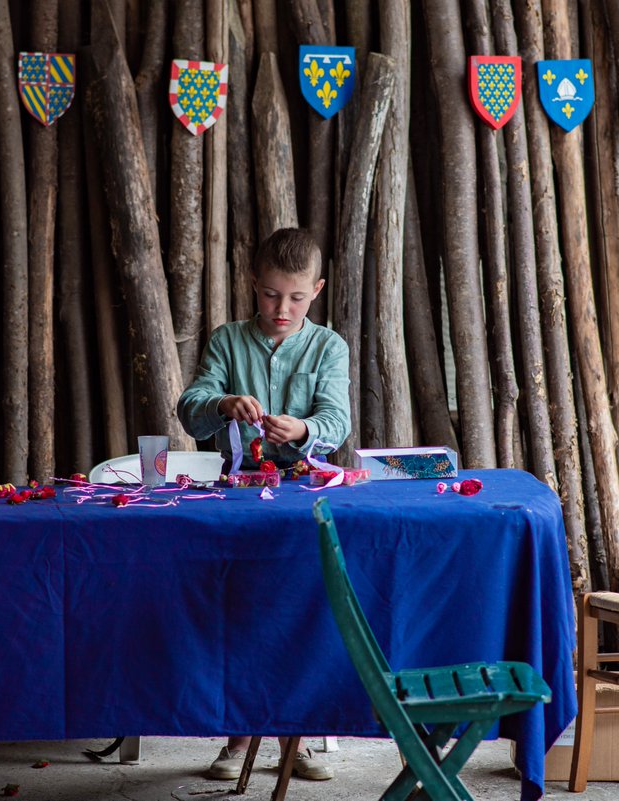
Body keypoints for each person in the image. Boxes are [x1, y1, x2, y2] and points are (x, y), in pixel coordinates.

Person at [177, 227, 350, 781]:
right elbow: (191, 408)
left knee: (297, 612)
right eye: (272, 294)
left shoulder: (329, 347)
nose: (283, 307)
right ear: (254, 285)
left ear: (317, 290)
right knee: (239, 609)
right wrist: (223, 402)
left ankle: (293, 737)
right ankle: (238, 736)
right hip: (237, 500)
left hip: (303, 500)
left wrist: (302, 428)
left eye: (296, 297)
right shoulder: (227, 341)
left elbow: (336, 422)